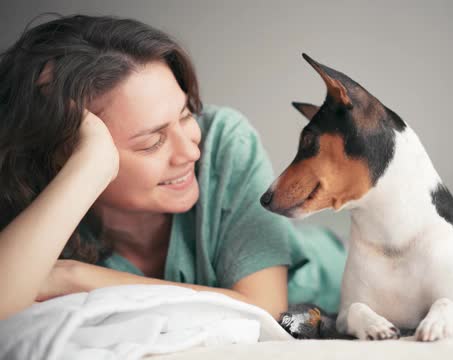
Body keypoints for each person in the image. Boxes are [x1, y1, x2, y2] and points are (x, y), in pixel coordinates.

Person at [0, 14, 345, 320]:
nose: (189, 152)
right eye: (151, 142)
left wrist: (77, 278)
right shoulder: (37, 202)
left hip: (345, 279)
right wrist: (89, 164)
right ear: (66, 155)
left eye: (185, 115)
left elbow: (265, 310)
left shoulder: (223, 141)